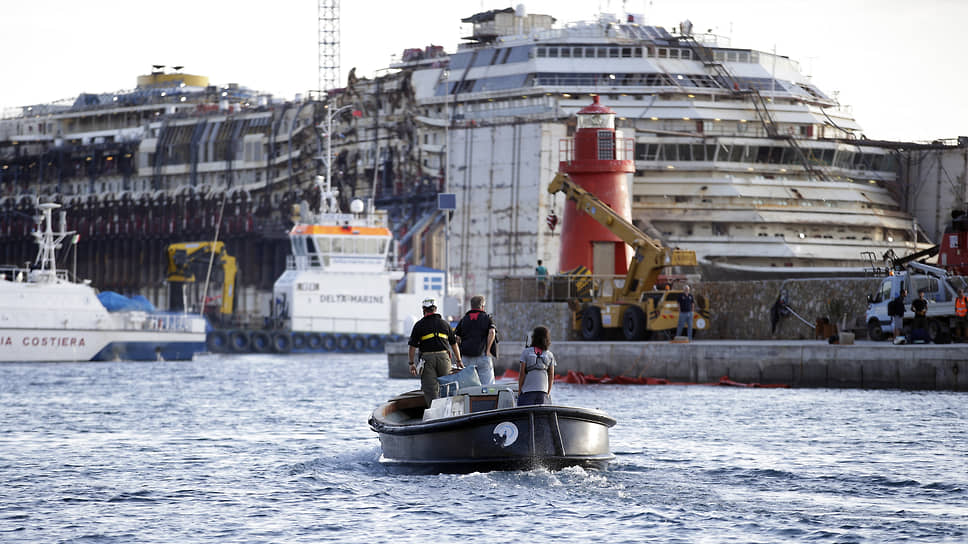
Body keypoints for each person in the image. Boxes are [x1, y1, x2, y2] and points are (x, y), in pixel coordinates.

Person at [408, 298, 462, 407]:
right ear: (435, 309)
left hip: (427, 360)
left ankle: (435, 414)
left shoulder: (419, 325)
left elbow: (412, 346)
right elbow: (454, 344)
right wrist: (459, 360)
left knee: (430, 390)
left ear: (424, 310)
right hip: (444, 358)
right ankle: (449, 411)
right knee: (447, 386)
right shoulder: (445, 324)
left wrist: (411, 363)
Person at [455, 294, 497, 384]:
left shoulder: (464, 319)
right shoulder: (487, 318)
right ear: (482, 306)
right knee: (488, 388)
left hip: (466, 358)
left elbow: (457, 338)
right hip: (482, 356)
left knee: (467, 387)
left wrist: (459, 355)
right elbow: (492, 332)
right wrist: (488, 350)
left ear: (471, 306)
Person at [518, 325, 555, 406]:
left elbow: (522, 374)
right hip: (543, 393)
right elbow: (551, 376)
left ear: (533, 337)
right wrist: (547, 392)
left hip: (527, 392)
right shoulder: (550, 355)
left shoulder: (526, 352)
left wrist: (519, 390)